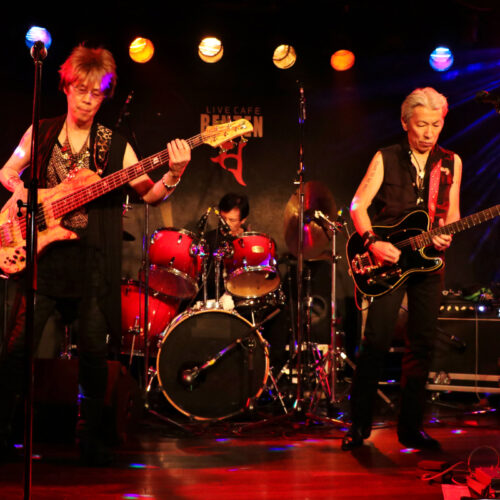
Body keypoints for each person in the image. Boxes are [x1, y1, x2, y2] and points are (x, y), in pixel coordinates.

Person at [0, 44, 190, 464]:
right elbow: (8, 172)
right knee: (17, 349)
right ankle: (3, 430)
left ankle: (89, 437)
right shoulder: (41, 132)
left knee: (92, 354)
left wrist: (174, 173)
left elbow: (151, 194)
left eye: (97, 93)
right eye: (82, 90)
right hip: (42, 261)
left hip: (90, 264)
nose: (88, 100)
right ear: (66, 87)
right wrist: (33, 193)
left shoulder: (115, 145)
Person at [342, 87, 462, 451]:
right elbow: (358, 205)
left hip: (428, 262)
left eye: (436, 125)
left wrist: (447, 234)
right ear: (405, 122)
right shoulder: (386, 157)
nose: (428, 133)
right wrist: (372, 242)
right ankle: (358, 426)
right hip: (388, 260)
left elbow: (453, 212)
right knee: (376, 342)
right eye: (422, 124)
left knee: (422, 345)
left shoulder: (451, 162)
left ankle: (411, 429)